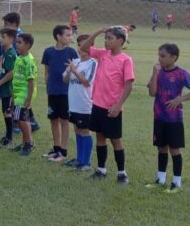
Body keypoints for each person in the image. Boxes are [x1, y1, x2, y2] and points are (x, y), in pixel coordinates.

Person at [78, 26, 135, 183]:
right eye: (106, 37)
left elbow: (128, 85)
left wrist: (118, 105)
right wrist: (98, 31)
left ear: (120, 41)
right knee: (100, 137)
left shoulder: (125, 60)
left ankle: (122, 173)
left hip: (112, 107)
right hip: (98, 105)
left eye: (110, 38)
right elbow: (83, 47)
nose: (106, 40)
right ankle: (101, 170)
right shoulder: (103, 54)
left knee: (115, 140)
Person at [145, 43, 190, 192]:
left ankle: (177, 184)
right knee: (161, 148)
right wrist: (154, 73)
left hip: (174, 119)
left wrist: (180, 99)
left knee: (174, 150)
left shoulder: (181, 73)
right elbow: (152, 92)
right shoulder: (158, 72)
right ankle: (161, 179)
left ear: (173, 57)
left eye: (163, 56)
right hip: (159, 116)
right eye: (159, 55)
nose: (160, 59)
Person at [42, 25, 79, 162]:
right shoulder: (48, 52)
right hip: (52, 92)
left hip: (65, 93)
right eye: (68, 35)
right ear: (58, 36)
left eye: (71, 35)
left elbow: (74, 73)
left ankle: (63, 151)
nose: (70, 38)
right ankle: (56, 148)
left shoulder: (71, 52)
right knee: (53, 120)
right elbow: (47, 73)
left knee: (64, 121)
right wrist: (48, 87)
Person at [64, 34, 97, 171]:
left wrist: (74, 71)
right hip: (73, 103)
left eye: (85, 46)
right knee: (77, 130)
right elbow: (65, 80)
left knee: (84, 131)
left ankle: (86, 162)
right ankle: (79, 158)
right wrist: (68, 72)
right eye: (79, 45)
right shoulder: (75, 61)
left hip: (85, 104)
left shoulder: (93, 63)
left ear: (91, 47)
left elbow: (86, 82)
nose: (82, 48)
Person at [10, 33, 38, 156]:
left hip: (24, 93)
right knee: (21, 118)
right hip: (17, 93)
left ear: (27, 45)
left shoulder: (29, 60)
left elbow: (31, 81)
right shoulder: (19, 57)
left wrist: (29, 98)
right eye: (16, 42)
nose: (17, 44)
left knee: (20, 119)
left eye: (19, 42)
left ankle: (29, 143)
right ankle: (24, 143)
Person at [0, 28, 19, 148]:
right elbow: (3, 67)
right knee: (5, 112)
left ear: (11, 39)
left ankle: (10, 139)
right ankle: (7, 136)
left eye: (4, 37)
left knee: (8, 113)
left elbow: (11, 73)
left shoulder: (11, 54)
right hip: (5, 89)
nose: (1, 39)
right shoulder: (5, 51)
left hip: (9, 89)